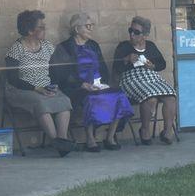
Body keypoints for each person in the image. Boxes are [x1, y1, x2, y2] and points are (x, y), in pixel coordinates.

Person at [50, 13, 134, 152]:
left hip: (97, 85)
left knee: (119, 95)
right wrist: (81, 84)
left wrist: (102, 83)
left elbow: (103, 68)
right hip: (76, 88)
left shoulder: (93, 45)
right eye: (88, 26)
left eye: (92, 26)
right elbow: (61, 73)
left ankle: (110, 137)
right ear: (77, 29)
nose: (91, 29)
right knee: (91, 98)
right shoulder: (64, 48)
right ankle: (90, 138)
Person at [4, 10, 75, 157]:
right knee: (41, 103)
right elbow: (13, 78)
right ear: (30, 31)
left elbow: (57, 69)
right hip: (21, 90)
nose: (45, 30)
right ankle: (55, 140)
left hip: (44, 87)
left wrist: (54, 84)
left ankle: (62, 141)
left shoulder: (48, 46)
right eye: (41, 27)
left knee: (63, 100)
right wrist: (37, 88)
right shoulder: (16, 49)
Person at [113, 16, 177, 145]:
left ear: (145, 35)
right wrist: (126, 59)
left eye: (136, 32)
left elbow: (162, 64)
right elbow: (116, 68)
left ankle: (167, 131)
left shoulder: (151, 46)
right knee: (150, 97)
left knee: (171, 96)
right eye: (130, 30)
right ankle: (145, 130)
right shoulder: (124, 46)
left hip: (151, 77)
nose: (132, 34)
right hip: (131, 78)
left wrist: (152, 66)